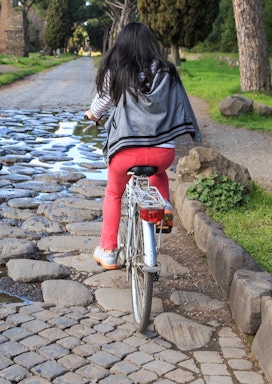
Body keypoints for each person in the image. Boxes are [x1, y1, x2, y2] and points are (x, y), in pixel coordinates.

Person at [85, 22, 202, 270]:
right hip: (162, 153)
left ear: (122, 45)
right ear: (151, 44)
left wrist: (92, 115)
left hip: (126, 152)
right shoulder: (167, 72)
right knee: (158, 172)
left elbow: (100, 105)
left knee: (114, 193)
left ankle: (108, 250)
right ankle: (165, 208)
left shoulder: (115, 71)